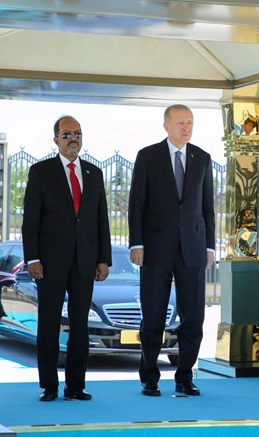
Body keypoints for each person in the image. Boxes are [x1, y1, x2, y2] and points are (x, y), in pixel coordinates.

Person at [22, 115, 112, 402]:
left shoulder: (94, 173)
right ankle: (49, 386)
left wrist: (104, 259)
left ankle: (76, 386)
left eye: (77, 134)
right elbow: (30, 221)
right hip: (49, 263)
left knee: (80, 325)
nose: (73, 139)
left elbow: (101, 220)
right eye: (67, 134)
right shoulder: (41, 172)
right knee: (49, 323)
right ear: (56, 140)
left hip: (85, 261)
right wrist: (33, 259)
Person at [128, 104, 215, 397]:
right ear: (166, 125)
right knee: (153, 316)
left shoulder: (202, 158)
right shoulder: (147, 156)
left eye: (190, 122)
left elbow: (208, 208)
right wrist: (137, 243)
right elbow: (137, 203)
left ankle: (185, 377)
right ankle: (149, 377)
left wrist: (209, 246)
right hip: (155, 249)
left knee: (193, 318)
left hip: (193, 249)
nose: (186, 127)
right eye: (180, 122)